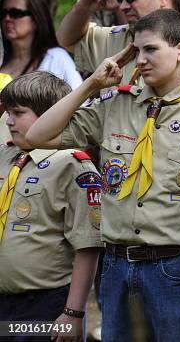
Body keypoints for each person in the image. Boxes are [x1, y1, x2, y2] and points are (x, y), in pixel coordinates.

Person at [27, 9, 180, 341]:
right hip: (115, 266)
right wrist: (91, 85)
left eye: (151, 49)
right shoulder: (115, 104)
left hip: (175, 268)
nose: (140, 60)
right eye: (136, 50)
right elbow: (38, 136)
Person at [0, 72, 102, 341]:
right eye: (7, 112)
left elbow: (88, 245)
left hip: (43, 305)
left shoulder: (71, 164)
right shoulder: (4, 155)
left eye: (18, 112)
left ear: (50, 114)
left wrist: (73, 312)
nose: (9, 120)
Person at [1, 0, 82, 89]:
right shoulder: (1, 60)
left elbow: (82, 100)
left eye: (15, 13)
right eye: (3, 13)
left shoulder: (55, 58)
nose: (7, 19)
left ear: (36, 19)